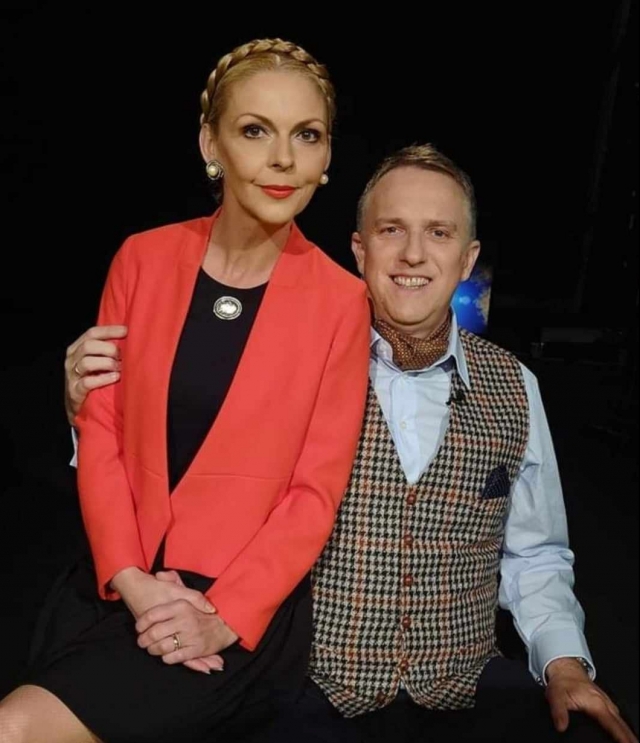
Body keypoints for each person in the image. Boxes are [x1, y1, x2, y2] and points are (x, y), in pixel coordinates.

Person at [64, 144, 638, 743]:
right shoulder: (290, 363)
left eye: (438, 233)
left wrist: (564, 665)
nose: (413, 253)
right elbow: (178, 464)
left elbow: (536, 554)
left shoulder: (516, 386)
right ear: (360, 251)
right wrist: (89, 414)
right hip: (307, 691)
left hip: (468, 690)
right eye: (392, 230)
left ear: (467, 259)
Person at [0, 37, 370, 743]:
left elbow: (314, 493)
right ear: (210, 143)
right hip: (112, 581)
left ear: (326, 157)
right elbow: (101, 433)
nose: (283, 158)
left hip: (230, 616)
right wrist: (130, 578)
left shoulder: (340, 302)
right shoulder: (141, 259)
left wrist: (223, 614)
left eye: (307, 135)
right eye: (255, 130)